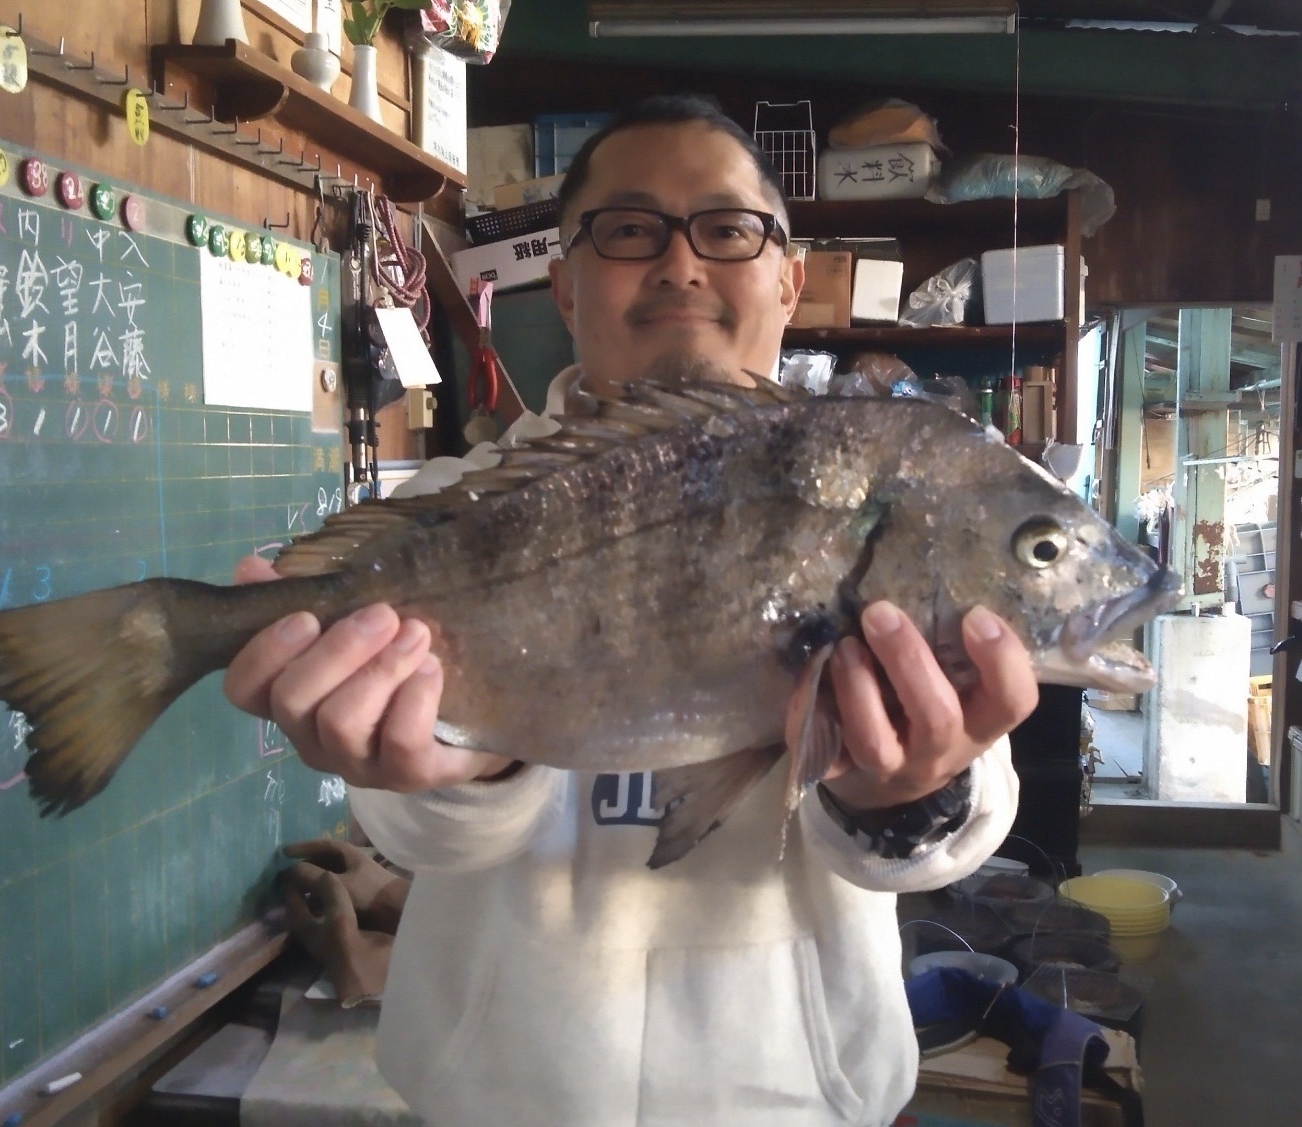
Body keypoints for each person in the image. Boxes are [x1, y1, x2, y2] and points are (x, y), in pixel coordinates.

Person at [226, 95, 1036, 1127]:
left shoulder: (887, 496)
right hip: (496, 1096)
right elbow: (414, 834)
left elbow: (947, 833)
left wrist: (904, 791)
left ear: (788, 278)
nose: (681, 263)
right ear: (562, 284)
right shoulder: (439, 519)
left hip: (796, 1097)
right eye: (628, 228)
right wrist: (462, 761)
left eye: (728, 228)